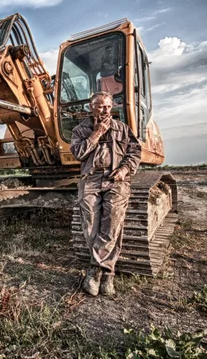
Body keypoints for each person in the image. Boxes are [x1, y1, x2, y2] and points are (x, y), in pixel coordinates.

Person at [70, 92, 141, 296]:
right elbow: (78, 154)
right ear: (91, 107)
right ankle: (105, 269)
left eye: (109, 107)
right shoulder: (80, 130)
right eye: (101, 106)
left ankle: (100, 272)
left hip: (116, 180)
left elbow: (135, 151)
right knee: (90, 225)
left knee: (112, 224)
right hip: (91, 179)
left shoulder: (122, 129)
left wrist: (125, 169)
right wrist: (97, 133)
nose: (106, 110)